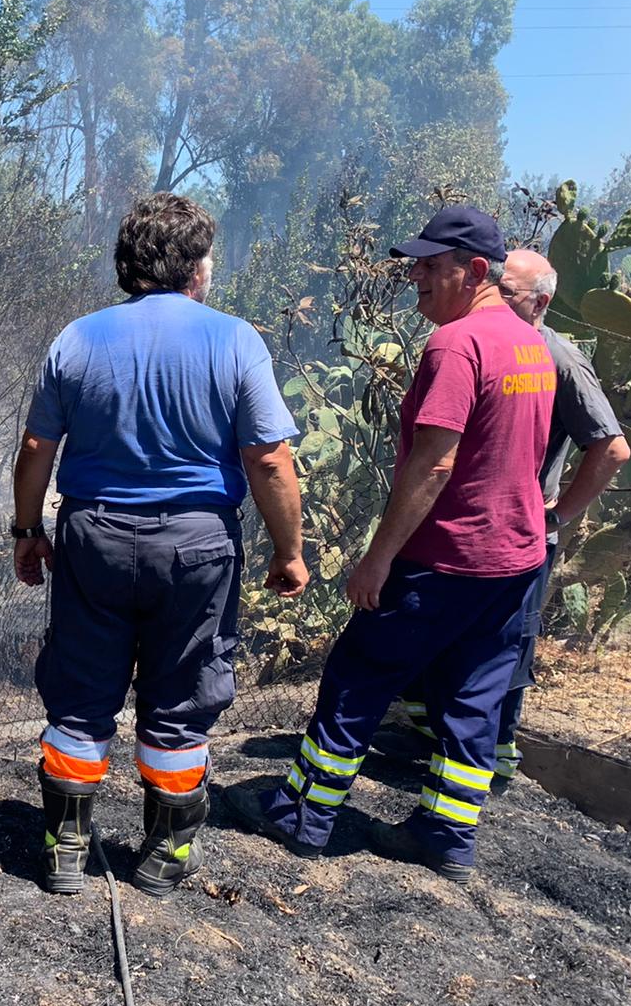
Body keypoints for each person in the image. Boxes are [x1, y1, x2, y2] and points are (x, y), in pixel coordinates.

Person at [225, 205, 555, 884]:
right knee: (471, 697)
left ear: (477, 271)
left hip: (446, 558)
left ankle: (303, 815)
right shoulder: (530, 344)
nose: (418, 281)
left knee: (358, 674)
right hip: (514, 560)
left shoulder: (457, 345)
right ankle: (447, 836)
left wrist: (379, 558)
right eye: (417, 268)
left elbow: (434, 463)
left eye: (433, 268)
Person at [12, 192, 308, 897]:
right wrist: (288, 550)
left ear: (127, 264)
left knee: (82, 695)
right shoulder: (235, 340)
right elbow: (268, 460)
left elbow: (34, 447)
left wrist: (28, 531)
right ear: (197, 268)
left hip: (95, 539)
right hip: (198, 547)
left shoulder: (76, 340)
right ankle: (165, 856)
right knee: (179, 698)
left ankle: (64, 850)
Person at [387, 250, 630, 789]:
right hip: (463, 534)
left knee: (505, 652)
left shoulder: (556, 357)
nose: (495, 295)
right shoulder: (480, 342)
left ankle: (495, 765)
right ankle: (434, 750)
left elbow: (611, 449)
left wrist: (558, 517)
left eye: (510, 291)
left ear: (540, 302)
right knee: (460, 648)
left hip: (521, 534)